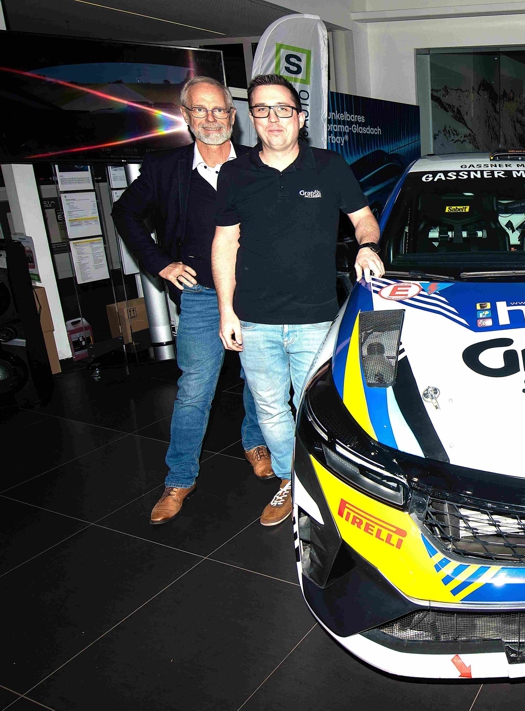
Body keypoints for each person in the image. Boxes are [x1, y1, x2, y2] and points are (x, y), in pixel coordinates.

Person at [212, 74, 384, 526]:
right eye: (262, 109)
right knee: (270, 409)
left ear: (300, 117)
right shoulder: (235, 174)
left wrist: (367, 246)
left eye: (283, 109)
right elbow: (225, 243)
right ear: (252, 118)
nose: (273, 118)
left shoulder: (329, 166)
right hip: (254, 319)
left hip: (316, 318)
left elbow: (364, 218)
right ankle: (291, 480)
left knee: (319, 408)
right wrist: (226, 310)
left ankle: (323, 483)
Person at [112, 76, 272, 526]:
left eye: (219, 109)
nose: (210, 119)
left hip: (255, 292)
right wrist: (160, 263)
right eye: (200, 110)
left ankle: (255, 442)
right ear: (186, 116)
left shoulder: (259, 163)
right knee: (194, 390)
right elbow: (124, 212)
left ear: (233, 116)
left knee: (260, 381)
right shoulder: (165, 168)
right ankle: (179, 479)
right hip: (200, 295)